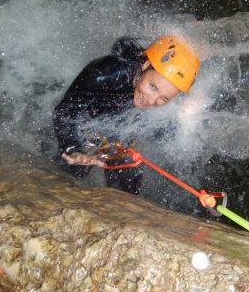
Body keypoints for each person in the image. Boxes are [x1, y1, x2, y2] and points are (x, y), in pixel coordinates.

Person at [53, 35, 199, 194]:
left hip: (118, 118)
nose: (151, 101)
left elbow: (164, 132)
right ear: (145, 65)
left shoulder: (152, 103)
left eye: (163, 98)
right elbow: (64, 112)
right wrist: (73, 148)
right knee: (76, 166)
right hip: (91, 114)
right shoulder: (107, 73)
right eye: (153, 86)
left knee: (129, 177)